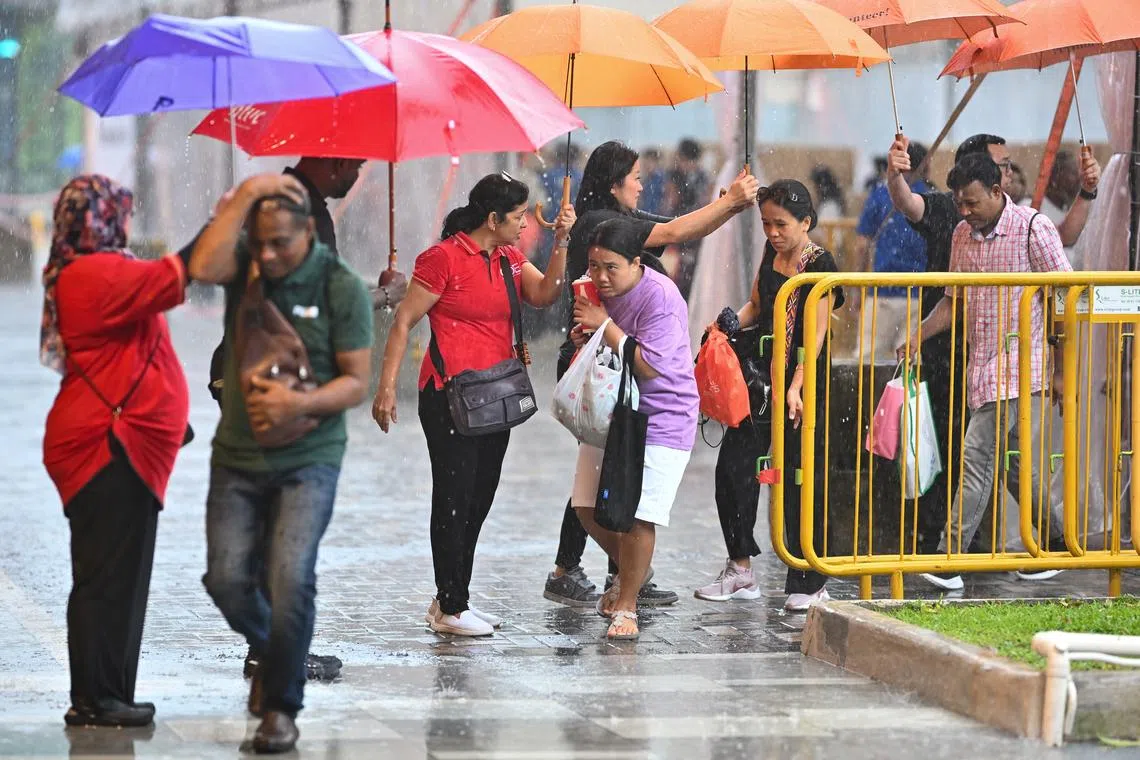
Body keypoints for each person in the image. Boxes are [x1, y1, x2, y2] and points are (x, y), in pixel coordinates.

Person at [191, 174, 374, 753]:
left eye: (281, 243)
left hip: (308, 457)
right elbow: (201, 264)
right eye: (260, 241)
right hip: (237, 456)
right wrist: (246, 196)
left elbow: (356, 382)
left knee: (291, 576)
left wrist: (299, 403)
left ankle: (281, 708)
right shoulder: (245, 271)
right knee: (226, 579)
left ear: (310, 234)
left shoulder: (339, 285)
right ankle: (277, 659)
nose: (268, 255)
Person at [206, 156, 404, 684]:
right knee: (277, 537)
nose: (357, 173)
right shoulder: (294, 209)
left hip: (264, 386)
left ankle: (273, 651)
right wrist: (386, 294)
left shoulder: (292, 202)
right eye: (354, 164)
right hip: (268, 390)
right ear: (332, 160)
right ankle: (274, 649)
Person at [542, 139, 759, 609]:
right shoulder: (603, 226)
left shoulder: (613, 222)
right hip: (605, 364)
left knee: (608, 476)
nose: (642, 186)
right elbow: (677, 230)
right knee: (599, 483)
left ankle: (620, 574)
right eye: (635, 178)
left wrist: (729, 205)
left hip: (624, 364)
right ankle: (593, 571)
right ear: (614, 184)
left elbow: (681, 228)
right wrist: (729, 203)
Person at [371, 172, 575, 637]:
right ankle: (452, 605)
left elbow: (546, 294)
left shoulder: (508, 259)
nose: (525, 224)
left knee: (479, 497)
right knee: (453, 497)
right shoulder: (442, 259)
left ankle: (451, 596)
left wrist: (562, 241)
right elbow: (403, 321)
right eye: (519, 216)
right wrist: (386, 388)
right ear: (492, 218)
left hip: (496, 394)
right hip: (449, 395)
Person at [886, 133, 1100, 565]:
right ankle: (1057, 544)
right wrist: (918, 335)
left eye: (972, 203)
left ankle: (950, 556)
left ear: (998, 191)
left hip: (1021, 369)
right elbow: (954, 300)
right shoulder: (961, 234)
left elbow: (1064, 297)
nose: (964, 212)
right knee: (1013, 466)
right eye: (959, 204)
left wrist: (1061, 368)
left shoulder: (1033, 228)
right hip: (980, 368)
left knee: (976, 456)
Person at [42, 175, 191, 727]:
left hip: (116, 444)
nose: (126, 222)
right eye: (119, 213)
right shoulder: (95, 273)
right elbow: (177, 275)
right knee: (108, 579)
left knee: (115, 576)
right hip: (107, 446)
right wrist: (232, 210)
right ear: (99, 220)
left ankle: (106, 695)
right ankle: (97, 698)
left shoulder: (94, 269)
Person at [693, 180, 844, 612]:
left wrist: (796, 387)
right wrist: (728, 323)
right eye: (766, 224)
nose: (773, 232)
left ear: (806, 222)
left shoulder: (820, 264)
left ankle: (808, 579)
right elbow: (758, 305)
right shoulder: (770, 253)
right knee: (734, 468)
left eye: (781, 224)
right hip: (759, 379)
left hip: (803, 382)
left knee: (800, 476)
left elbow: (814, 337)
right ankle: (740, 567)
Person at [569, 218, 700, 639]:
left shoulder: (660, 296)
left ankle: (627, 606)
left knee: (640, 516)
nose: (601, 277)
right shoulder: (593, 292)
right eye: (594, 266)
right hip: (613, 410)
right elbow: (604, 347)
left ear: (636, 263)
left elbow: (649, 366)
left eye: (611, 267)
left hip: (664, 413)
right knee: (586, 506)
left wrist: (605, 327)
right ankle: (634, 572)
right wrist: (585, 336)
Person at [852, 141, 931, 361]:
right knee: (909, 362)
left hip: (883, 290)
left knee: (867, 361)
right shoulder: (929, 196)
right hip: (920, 292)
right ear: (925, 165)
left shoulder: (880, 194)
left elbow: (862, 244)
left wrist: (857, 286)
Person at [666, 137, 713, 298]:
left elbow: (672, 200)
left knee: (686, 275)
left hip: (688, 228)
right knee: (682, 274)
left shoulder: (698, 177)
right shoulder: (680, 175)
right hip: (686, 227)